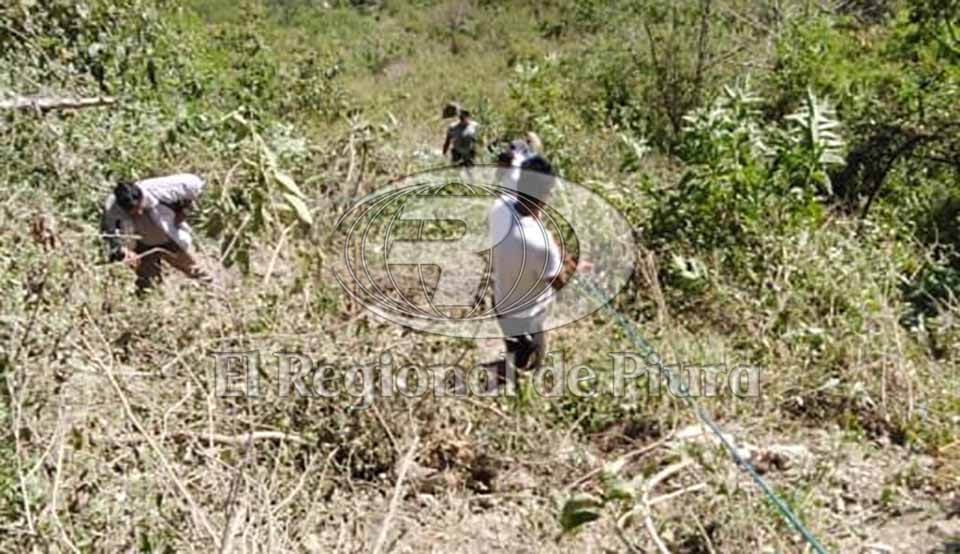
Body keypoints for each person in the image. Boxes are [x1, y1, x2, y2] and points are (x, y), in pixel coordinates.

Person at [487, 155, 581, 380]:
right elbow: (560, 283)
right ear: (546, 194)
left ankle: (508, 369)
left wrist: (558, 256)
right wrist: (570, 265)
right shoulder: (542, 243)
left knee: (514, 348)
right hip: (527, 316)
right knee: (530, 365)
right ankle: (499, 380)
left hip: (501, 302)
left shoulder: (499, 207)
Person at [101, 173, 213, 293]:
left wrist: (185, 210)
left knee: (197, 272)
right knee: (147, 287)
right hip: (143, 247)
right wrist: (123, 250)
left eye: (139, 208)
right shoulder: (112, 208)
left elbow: (195, 185)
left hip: (171, 240)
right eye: (133, 212)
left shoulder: (161, 189)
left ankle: (216, 297)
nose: (138, 213)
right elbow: (113, 234)